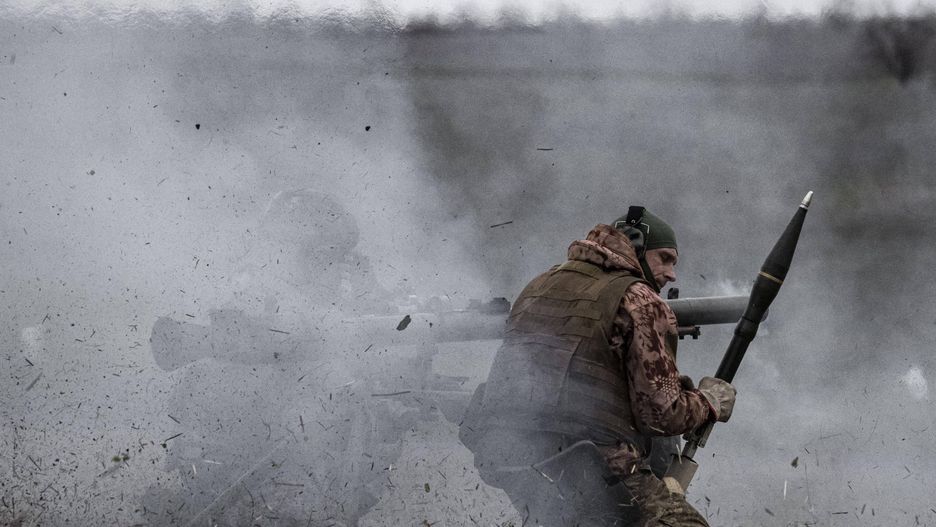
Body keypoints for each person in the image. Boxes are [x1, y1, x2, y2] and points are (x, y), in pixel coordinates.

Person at [461, 207, 737, 526]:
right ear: (635, 248)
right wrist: (709, 401)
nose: (671, 273)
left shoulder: (540, 284)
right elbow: (663, 416)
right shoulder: (640, 300)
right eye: (665, 258)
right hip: (590, 458)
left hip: (511, 454)